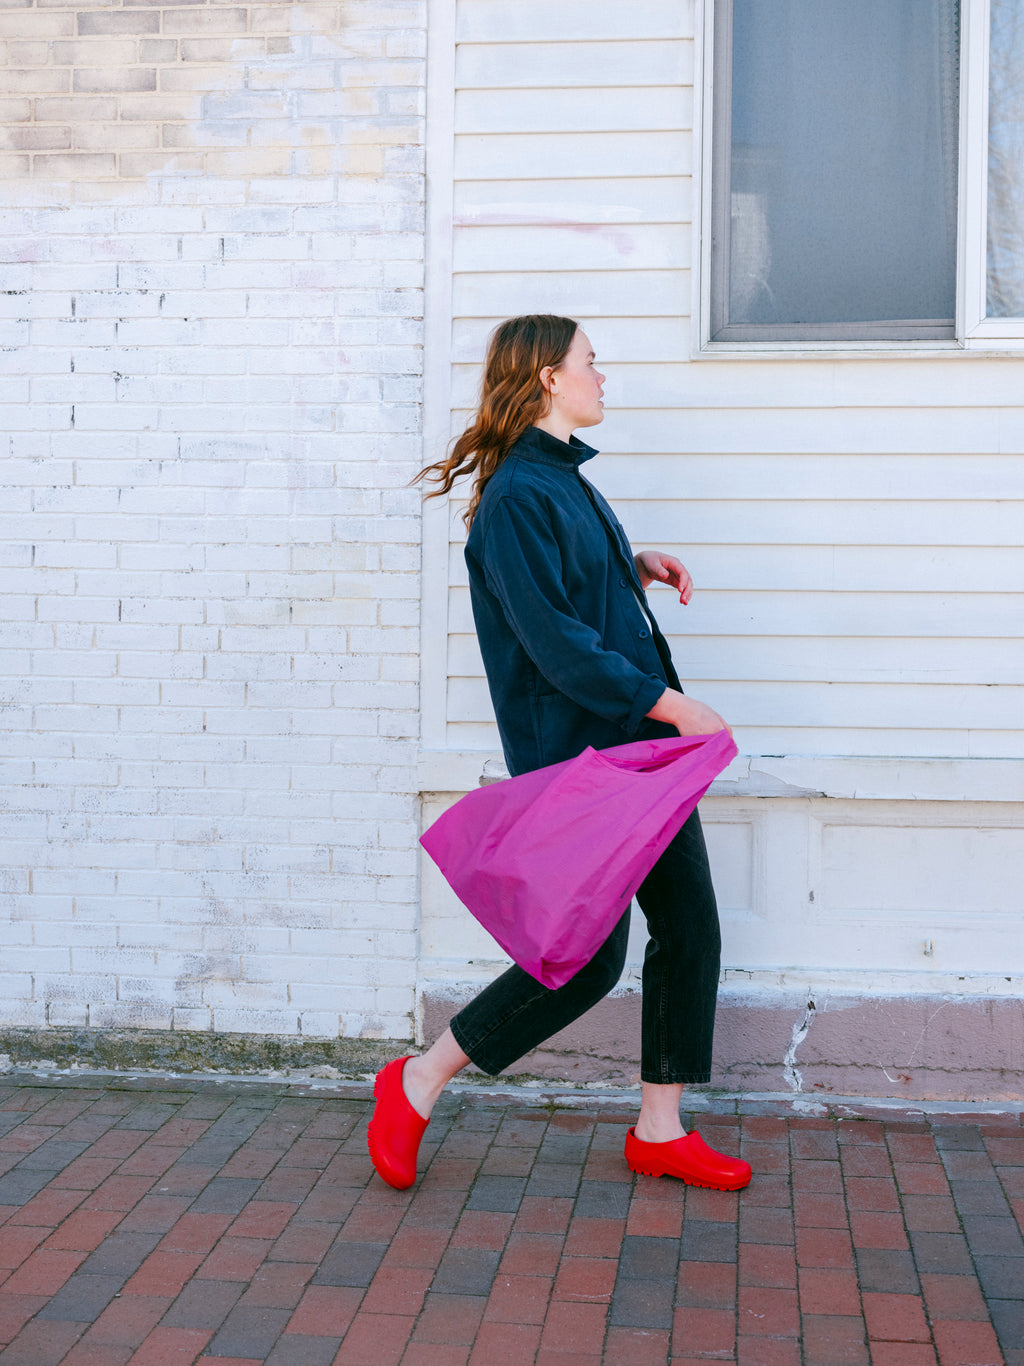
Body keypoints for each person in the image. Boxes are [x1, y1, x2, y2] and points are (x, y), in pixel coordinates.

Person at [367, 315, 751, 1193]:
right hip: (586, 762)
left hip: (634, 755)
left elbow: (573, 594)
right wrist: (674, 704)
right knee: (585, 960)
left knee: (689, 926)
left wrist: (632, 563)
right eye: (590, 362)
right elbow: (555, 645)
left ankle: (660, 1126)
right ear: (547, 377)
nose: (602, 376)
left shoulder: (567, 485)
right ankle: (419, 1078)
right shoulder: (515, 497)